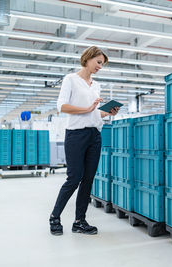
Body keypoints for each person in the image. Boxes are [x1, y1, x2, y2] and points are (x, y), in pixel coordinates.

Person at [49, 46, 119, 236]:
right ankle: (55, 217)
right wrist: (88, 109)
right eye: (98, 62)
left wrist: (106, 112)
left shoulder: (96, 85)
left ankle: (79, 221)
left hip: (95, 135)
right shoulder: (71, 79)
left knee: (88, 179)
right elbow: (61, 106)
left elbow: (95, 113)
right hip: (76, 135)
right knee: (74, 178)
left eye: (102, 64)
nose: (100, 67)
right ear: (87, 59)